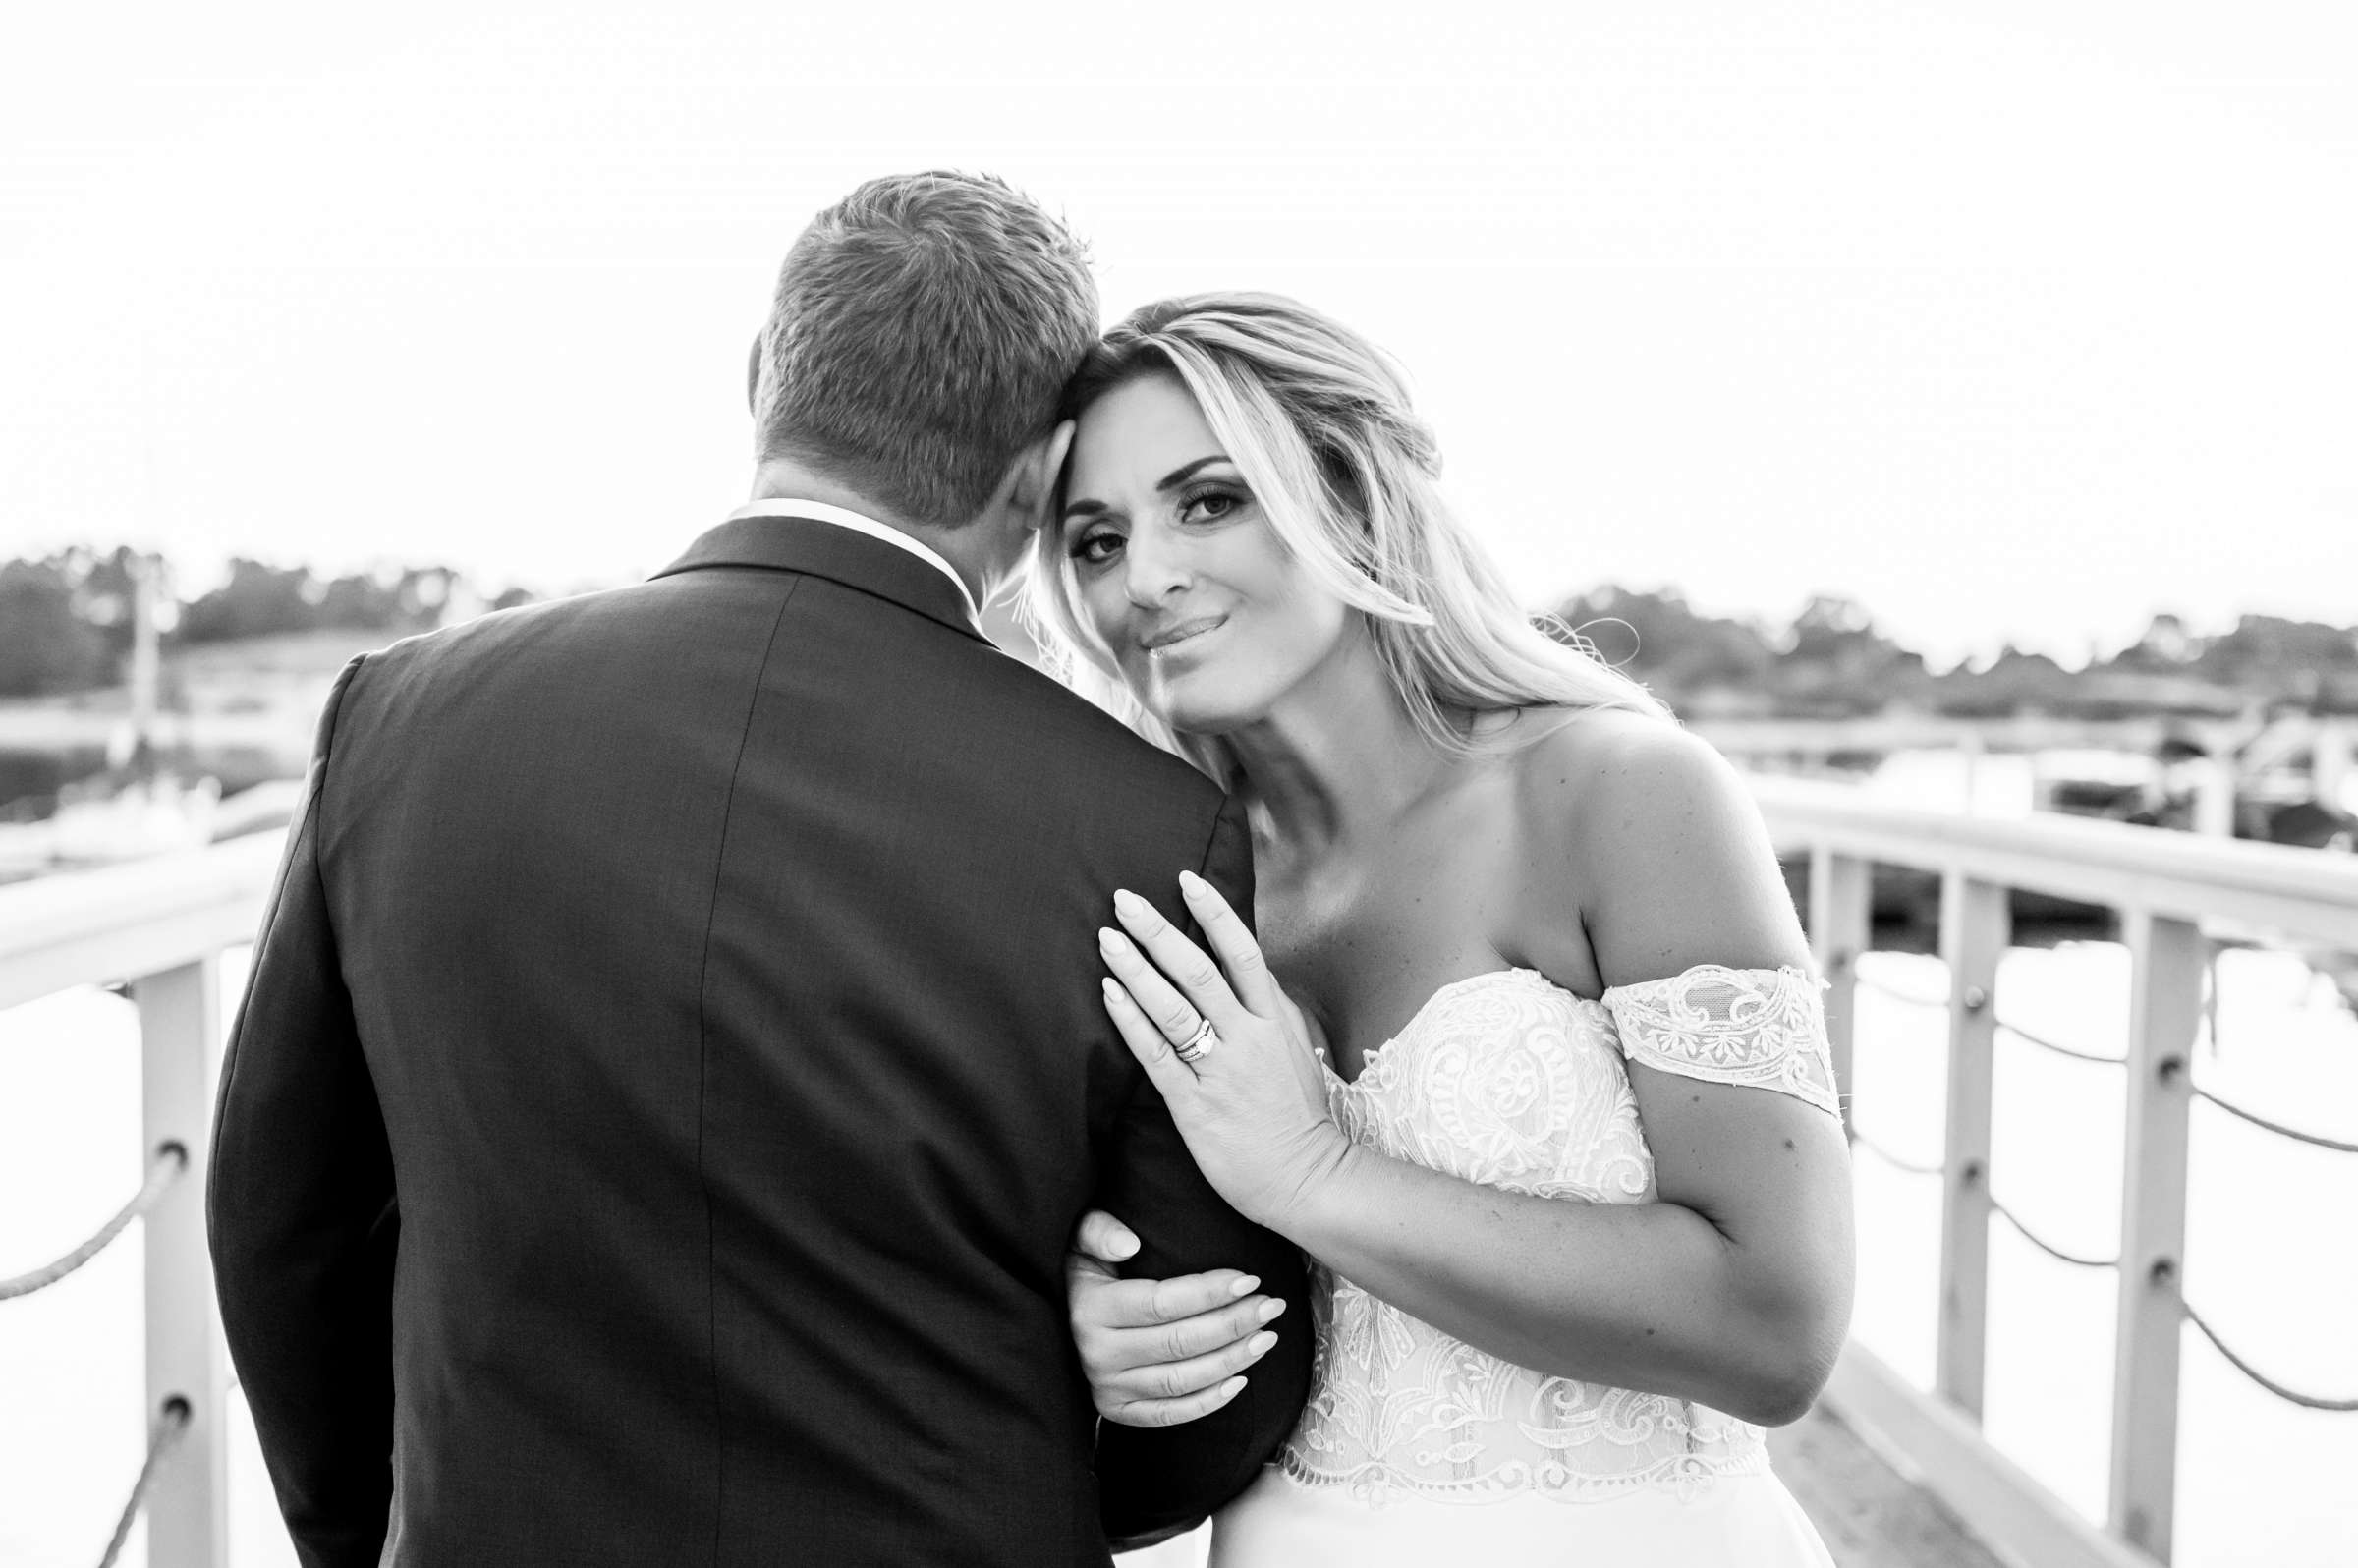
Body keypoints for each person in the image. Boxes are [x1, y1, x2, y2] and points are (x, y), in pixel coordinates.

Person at [205, 174, 1312, 1568]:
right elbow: (1218, 1378)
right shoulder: (1151, 827)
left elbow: (279, 1229)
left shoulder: (400, 720)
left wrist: (370, 1540)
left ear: (759, 384)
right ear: (1036, 474)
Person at [1040, 294, 1854, 1564]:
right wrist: (1097, 1330)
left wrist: (1318, 1175)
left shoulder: (1619, 798)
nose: (1144, 579)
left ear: (1355, 499)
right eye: (1096, 542)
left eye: (1209, 501)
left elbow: (1777, 1329)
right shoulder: (1172, 887)